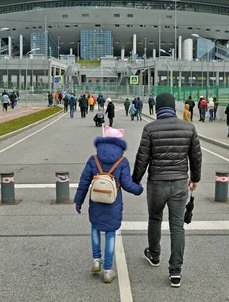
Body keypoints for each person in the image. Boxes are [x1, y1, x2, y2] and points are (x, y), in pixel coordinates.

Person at [132, 92, 202, 288]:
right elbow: (196, 156)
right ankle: (175, 272)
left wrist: (135, 181)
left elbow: (142, 157)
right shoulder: (189, 128)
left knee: (154, 219)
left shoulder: (150, 128)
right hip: (180, 183)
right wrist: (194, 178)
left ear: (157, 107)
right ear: (173, 107)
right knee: (177, 226)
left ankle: (154, 255)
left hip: (157, 183)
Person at [74, 126, 143, 283]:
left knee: (95, 228)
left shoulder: (94, 159)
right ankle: (107, 270)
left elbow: (84, 181)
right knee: (111, 234)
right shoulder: (122, 161)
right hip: (113, 203)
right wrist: (139, 190)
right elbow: (126, 183)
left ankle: (96, 260)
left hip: (96, 200)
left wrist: (79, 201)